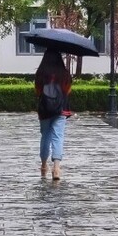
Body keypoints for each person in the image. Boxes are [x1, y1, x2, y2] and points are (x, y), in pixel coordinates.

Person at [35, 50, 72, 180]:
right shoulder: (65, 74)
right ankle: (56, 168)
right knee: (58, 136)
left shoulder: (41, 74)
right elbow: (67, 91)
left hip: (45, 110)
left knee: (45, 136)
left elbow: (38, 91)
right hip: (61, 109)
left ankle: (44, 165)